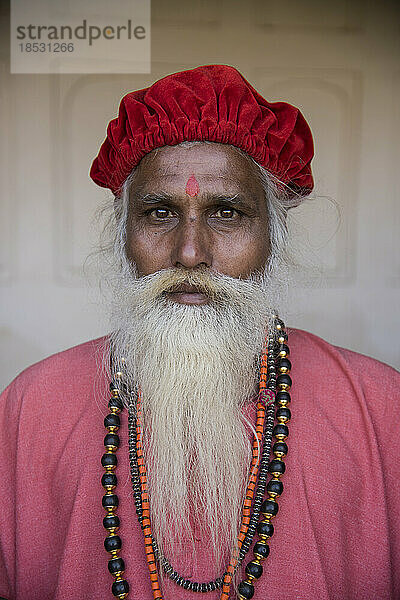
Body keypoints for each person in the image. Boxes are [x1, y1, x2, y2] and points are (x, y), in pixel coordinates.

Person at [0, 65, 399, 600]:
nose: (190, 253)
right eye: (160, 212)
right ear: (121, 236)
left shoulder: (381, 408)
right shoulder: (31, 406)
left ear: (272, 239)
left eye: (227, 213)